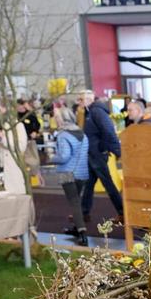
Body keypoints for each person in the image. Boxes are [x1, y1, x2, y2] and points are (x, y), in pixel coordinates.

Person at [80, 90, 124, 223]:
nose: (79, 102)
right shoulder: (90, 112)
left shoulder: (96, 112)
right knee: (89, 185)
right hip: (92, 153)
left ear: (88, 99)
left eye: (80, 99)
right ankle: (83, 213)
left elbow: (109, 131)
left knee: (108, 184)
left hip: (97, 154)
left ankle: (123, 212)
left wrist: (113, 150)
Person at [52, 105, 90, 246]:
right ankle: (76, 228)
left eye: (56, 117)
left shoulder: (63, 135)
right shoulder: (82, 134)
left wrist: (52, 157)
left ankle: (82, 233)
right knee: (77, 202)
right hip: (82, 173)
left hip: (68, 173)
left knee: (74, 202)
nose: (55, 120)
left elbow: (64, 156)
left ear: (62, 119)